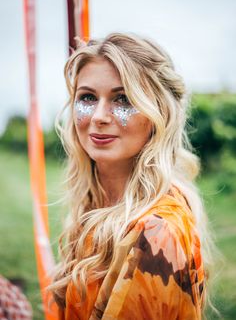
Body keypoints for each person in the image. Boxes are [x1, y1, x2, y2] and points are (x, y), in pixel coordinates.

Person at [49, 33, 211, 319]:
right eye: (87, 97)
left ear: (158, 113)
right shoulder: (97, 204)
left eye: (122, 99)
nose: (98, 116)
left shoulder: (155, 232)